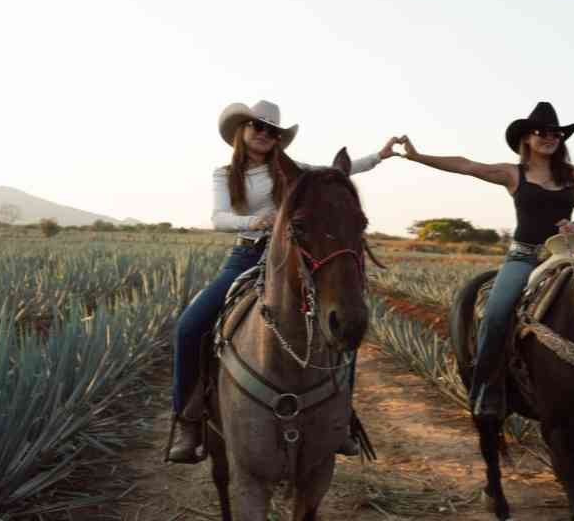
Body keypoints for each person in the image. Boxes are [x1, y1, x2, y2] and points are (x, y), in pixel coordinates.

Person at [168, 99, 400, 463]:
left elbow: (341, 171)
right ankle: (187, 420)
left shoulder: (293, 170)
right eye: (257, 127)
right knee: (189, 326)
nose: (264, 134)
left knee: (344, 323)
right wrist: (254, 222)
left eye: (272, 131)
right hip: (247, 254)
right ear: (242, 131)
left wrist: (380, 156)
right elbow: (219, 217)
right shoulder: (224, 174)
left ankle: (341, 417)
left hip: (295, 257)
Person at [400, 102, 574, 419]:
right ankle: (486, 391)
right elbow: (466, 165)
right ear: (526, 138)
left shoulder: (572, 175)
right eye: (542, 132)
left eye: (556, 133)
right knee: (496, 314)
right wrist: (418, 156)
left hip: (564, 256)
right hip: (524, 258)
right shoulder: (513, 173)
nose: (551, 137)